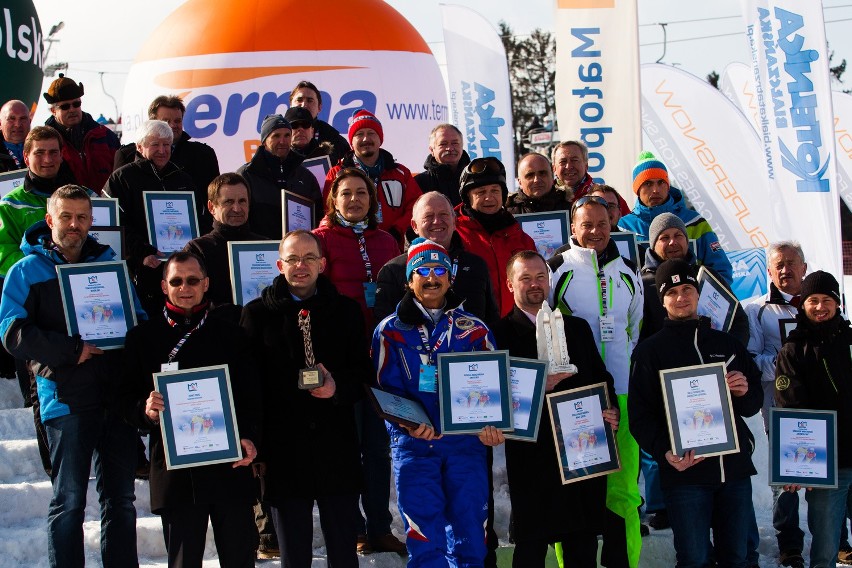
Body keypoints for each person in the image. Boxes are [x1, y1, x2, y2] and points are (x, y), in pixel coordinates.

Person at [0, 185, 145, 568]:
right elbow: (12, 332)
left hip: (115, 399)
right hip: (65, 398)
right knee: (68, 501)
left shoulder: (111, 264)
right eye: (66, 216)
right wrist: (70, 350)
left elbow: (138, 321)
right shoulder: (26, 271)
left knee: (122, 500)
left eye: (82, 217)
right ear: (50, 220)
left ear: (91, 221)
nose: (74, 224)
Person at [372, 237, 505, 567]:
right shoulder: (390, 331)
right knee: (425, 538)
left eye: (439, 270)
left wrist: (494, 424)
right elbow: (383, 390)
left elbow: (496, 389)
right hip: (416, 447)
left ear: (451, 277)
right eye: (422, 270)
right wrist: (407, 425)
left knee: (471, 534)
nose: (431, 278)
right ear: (409, 279)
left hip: (466, 446)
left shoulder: (474, 329)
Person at [122, 251, 260, 567]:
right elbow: (123, 399)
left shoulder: (232, 334)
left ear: (207, 284)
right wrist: (146, 410)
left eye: (193, 280)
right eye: (177, 281)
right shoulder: (142, 338)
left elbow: (252, 396)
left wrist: (251, 437)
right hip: (176, 473)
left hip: (230, 465)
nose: (185, 287)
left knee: (240, 559)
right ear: (163, 286)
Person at [241, 230, 370, 568]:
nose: (301, 266)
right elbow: (248, 386)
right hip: (284, 452)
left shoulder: (346, 312)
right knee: (294, 554)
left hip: (336, 446)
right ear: (280, 264)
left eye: (309, 258)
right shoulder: (257, 315)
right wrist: (257, 442)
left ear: (322, 264)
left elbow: (364, 374)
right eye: (294, 259)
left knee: (343, 552)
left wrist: (337, 387)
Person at [629, 259, 762, 568]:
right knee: (694, 559)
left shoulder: (726, 344)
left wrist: (743, 392)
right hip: (686, 474)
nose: (681, 297)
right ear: (661, 300)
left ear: (698, 292)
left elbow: (752, 402)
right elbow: (640, 416)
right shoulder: (650, 351)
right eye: (672, 292)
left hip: (733, 471)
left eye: (687, 288)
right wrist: (665, 451)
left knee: (737, 557)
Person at [492, 250, 619, 567]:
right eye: (525, 278)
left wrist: (610, 410)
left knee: (583, 547)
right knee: (531, 550)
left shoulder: (576, 328)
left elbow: (601, 377)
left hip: (580, 453)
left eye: (540, 277)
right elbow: (493, 396)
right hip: (531, 458)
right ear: (509, 285)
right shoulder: (498, 335)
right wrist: (539, 386)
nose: (535, 285)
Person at [312, 167, 404, 555]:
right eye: (345, 193)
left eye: (361, 193)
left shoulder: (387, 240)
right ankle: (351, 526)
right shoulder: (320, 240)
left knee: (377, 447)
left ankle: (379, 526)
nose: (354, 200)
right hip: (341, 360)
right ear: (333, 199)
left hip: (381, 357)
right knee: (346, 446)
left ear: (372, 199)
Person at [548, 195, 643, 568]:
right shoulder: (558, 269)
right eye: (586, 225)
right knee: (572, 488)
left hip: (620, 392)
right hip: (576, 396)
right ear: (573, 228)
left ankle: (624, 563)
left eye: (602, 224)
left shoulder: (628, 270)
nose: (595, 232)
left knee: (623, 491)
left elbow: (635, 327)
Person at [775, 270, 852, 568]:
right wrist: (797, 468)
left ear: (837, 303)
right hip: (825, 467)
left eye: (826, 300)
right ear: (802, 306)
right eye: (813, 301)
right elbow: (790, 408)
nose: (820, 307)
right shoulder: (793, 350)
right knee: (825, 549)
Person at [745, 241, 808, 568]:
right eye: (778, 265)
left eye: (791, 263)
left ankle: (839, 540)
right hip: (779, 408)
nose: (785, 270)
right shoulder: (755, 309)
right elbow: (753, 362)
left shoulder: (819, 304)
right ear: (769, 271)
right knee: (786, 482)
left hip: (821, 407)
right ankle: (789, 546)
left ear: (804, 268)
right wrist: (789, 361)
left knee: (828, 475)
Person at [103, 120, 198, 315]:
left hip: (179, 270)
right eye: (155, 144)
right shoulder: (121, 178)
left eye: (166, 145)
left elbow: (198, 219)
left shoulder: (183, 179)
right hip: (142, 268)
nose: (162, 150)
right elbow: (114, 223)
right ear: (140, 147)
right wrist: (142, 253)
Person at [374, 191, 499, 326]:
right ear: (414, 226)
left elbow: (492, 322)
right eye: (428, 216)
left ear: (454, 221)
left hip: (470, 346)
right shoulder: (393, 270)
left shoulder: (476, 265)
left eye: (443, 214)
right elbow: (384, 329)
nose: (437, 221)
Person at [618, 151, 733, 284]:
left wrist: (697, 298)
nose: (655, 190)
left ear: (668, 185)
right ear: (637, 189)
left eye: (661, 182)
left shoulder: (695, 221)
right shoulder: (624, 227)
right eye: (648, 184)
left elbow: (722, 271)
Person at [639, 212, 749, 346]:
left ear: (687, 241)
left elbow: (739, 321)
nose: (672, 242)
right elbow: (637, 336)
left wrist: (731, 354)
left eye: (678, 236)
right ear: (653, 245)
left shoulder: (708, 276)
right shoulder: (642, 285)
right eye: (664, 238)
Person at [114, 95, 220, 232]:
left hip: (189, 241)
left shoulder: (203, 154)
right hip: (140, 245)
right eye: (165, 121)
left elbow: (213, 201)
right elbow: (118, 211)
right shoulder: (127, 155)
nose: (172, 126)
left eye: (177, 121)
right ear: (152, 122)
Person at [323, 109, 421, 245]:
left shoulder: (401, 173)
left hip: (392, 246)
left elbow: (416, 206)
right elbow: (329, 210)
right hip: (350, 245)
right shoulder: (337, 173)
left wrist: (397, 229)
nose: (366, 139)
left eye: (371, 133)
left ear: (380, 138)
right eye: (359, 134)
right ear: (351, 141)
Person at [453, 157, 536, 317]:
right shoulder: (454, 235)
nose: (489, 198)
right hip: (470, 329)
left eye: (495, 191)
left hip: (514, 328)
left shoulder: (520, 237)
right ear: (467, 197)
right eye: (480, 192)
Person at [0, 127, 76, 278]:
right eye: (39, 153)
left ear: (61, 155)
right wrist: (46, 269)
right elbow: (3, 254)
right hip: (34, 288)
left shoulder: (85, 197)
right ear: (26, 157)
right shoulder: (10, 205)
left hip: (80, 286)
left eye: (53, 152)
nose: (47, 160)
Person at [183, 173, 266, 307]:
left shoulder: (265, 246)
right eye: (229, 202)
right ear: (211, 207)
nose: (237, 209)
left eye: (242, 201)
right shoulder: (197, 249)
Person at [238, 114, 323, 238]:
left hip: (298, 251)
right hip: (260, 250)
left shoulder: (306, 177)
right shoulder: (247, 175)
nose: (282, 141)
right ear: (264, 140)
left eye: (287, 135)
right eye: (276, 136)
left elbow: (318, 216)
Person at [43, 74, 119, 192]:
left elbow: (119, 176)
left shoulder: (106, 136)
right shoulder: (44, 142)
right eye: (65, 106)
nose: (72, 109)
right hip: (66, 208)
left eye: (76, 104)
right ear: (53, 110)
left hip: (105, 207)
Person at [551, 141, 629, 215]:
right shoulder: (546, 196)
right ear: (554, 168)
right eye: (563, 162)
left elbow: (627, 225)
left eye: (574, 160)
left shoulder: (607, 197)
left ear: (586, 165)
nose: (569, 166)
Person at [289, 80, 350, 164]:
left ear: (319, 107)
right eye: (299, 100)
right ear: (290, 105)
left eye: (310, 100)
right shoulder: (279, 134)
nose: (304, 105)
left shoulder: (335, 140)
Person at [413, 124, 470, 208]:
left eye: (455, 143)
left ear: (462, 146)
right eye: (443, 144)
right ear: (432, 150)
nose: (450, 148)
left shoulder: (475, 177)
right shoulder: (419, 183)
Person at [505, 152, 571, 214]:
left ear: (552, 177)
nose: (537, 180)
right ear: (520, 182)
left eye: (542, 173)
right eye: (530, 175)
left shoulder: (571, 208)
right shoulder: (507, 214)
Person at [0, 99, 31, 172]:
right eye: (11, 119)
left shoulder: (43, 148)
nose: (17, 124)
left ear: (30, 122)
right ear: (0, 124)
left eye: (23, 118)